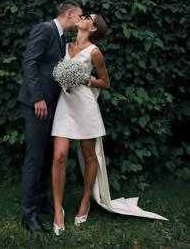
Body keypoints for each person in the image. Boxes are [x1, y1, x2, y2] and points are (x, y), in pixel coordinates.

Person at [18, 1, 83, 233]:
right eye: (80, 15)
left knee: (46, 157)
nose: (81, 20)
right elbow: (30, 63)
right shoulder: (45, 29)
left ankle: (42, 202)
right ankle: (29, 215)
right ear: (69, 14)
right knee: (34, 159)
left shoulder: (61, 37)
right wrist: (37, 98)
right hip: (37, 105)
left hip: (52, 106)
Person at [51, 13, 110, 236]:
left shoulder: (95, 52)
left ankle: (85, 200)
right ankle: (58, 210)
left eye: (87, 17)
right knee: (59, 156)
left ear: (93, 28)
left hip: (85, 107)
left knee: (88, 155)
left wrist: (84, 79)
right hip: (65, 106)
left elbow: (105, 82)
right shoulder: (64, 45)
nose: (82, 16)